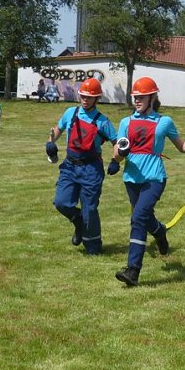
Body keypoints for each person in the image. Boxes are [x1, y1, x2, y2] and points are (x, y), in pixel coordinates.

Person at [111, 77, 185, 286]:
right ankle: (159, 232)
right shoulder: (125, 123)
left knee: (137, 217)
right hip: (131, 178)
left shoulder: (164, 122)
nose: (137, 100)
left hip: (154, 178)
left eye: (142, 97)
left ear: (152, 97)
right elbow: (117, 150)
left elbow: (181, 145)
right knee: (144, 218)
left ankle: (133, 270)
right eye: (135, 97)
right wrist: (117, 158)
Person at [47, 78, 117, 255]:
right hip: (70, 166)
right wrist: (50, 143)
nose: (85, 100)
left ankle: (93, 246)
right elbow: (57, 129)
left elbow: (117, 143)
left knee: (90, 209)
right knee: (61, 202)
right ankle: (77, 221)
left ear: (96, 99)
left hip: (91, 169)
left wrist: (116, 160)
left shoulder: (103, 121)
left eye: (89, 97)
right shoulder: (71, 112)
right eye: (83, 96)